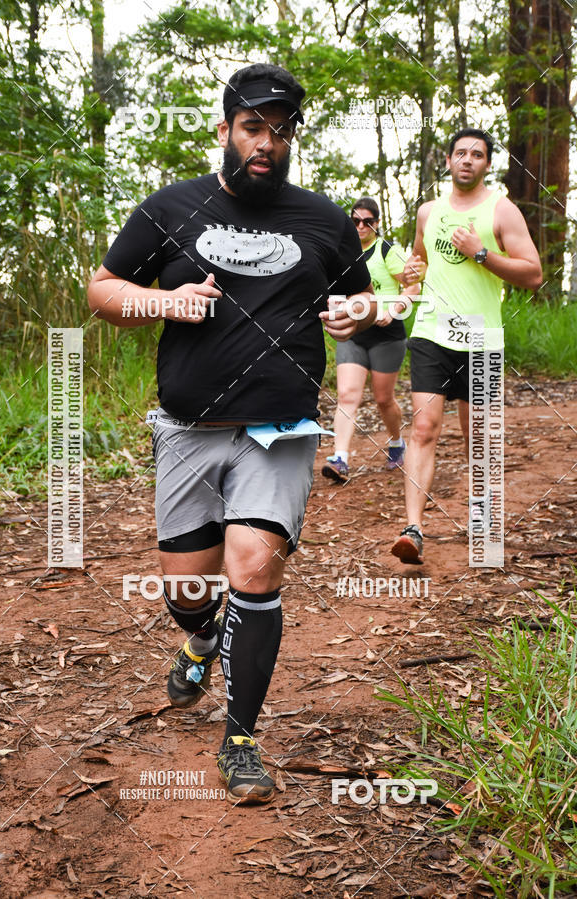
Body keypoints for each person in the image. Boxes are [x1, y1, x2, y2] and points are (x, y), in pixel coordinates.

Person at [87, 63, 376, 804]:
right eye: (253, 127)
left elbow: (366, 302)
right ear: (224, 130)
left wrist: (358, 315)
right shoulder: (170, 209)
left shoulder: (324, 219)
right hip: (188, 428)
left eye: (281, 131)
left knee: (254, 566)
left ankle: (241, 738)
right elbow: (101, 289)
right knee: (188, 585)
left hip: (279, 428)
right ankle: (199, 632)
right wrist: (162, 301)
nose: (266, 143)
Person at [391, 127, 543, 564]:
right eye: (460, 153)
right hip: (432, 333)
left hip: (480, 335)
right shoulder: (428, 212)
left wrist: (481, 254)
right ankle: (413, 529)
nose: (467, 160)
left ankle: (482, 523)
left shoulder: (502, 211)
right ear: (448, 159)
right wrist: (408, 286)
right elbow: (417, 266)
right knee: (423, 429)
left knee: (477, 436)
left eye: (477, 154)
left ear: (487, 164)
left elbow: (532, 274)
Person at [322, 196, 418, 483]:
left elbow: (412, 286)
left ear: (377, 225)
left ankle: (397, 443)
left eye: (368, 221)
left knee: (383, 399)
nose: (361, 226)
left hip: (386, 336)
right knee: (348, 396)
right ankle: (340, 458)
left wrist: (393, 309)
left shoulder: (386, 250)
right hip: (353, 334)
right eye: (355, 221)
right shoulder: (342, 252)